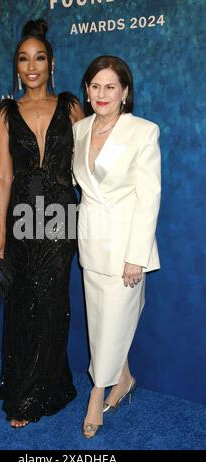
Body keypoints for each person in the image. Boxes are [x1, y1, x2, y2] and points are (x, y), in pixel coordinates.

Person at [0, 19, 84, 427]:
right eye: (23, 59)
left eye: (39, 58)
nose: (31, 66)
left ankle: (40, 391)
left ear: (51, 63)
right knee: (25, 300)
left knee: (52, 300)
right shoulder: (7, 114)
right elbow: (3, 175)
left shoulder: (72, 106)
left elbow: (88, 165)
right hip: (23, 214)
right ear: (17, 67)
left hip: (61, 214)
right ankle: (29, 385)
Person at [72, 56, 161, 438]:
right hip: (90, 243)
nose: (102, 93)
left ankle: (96, 394)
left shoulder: (143, 132)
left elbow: (149, 197)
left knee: (113, 323)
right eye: (95, 86)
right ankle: (123, 379)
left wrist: (135, 257)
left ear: (125, 92)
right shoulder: (79, 130)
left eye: (111, 86)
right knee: (101, 324)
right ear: (87, 91)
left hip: (126, 249)